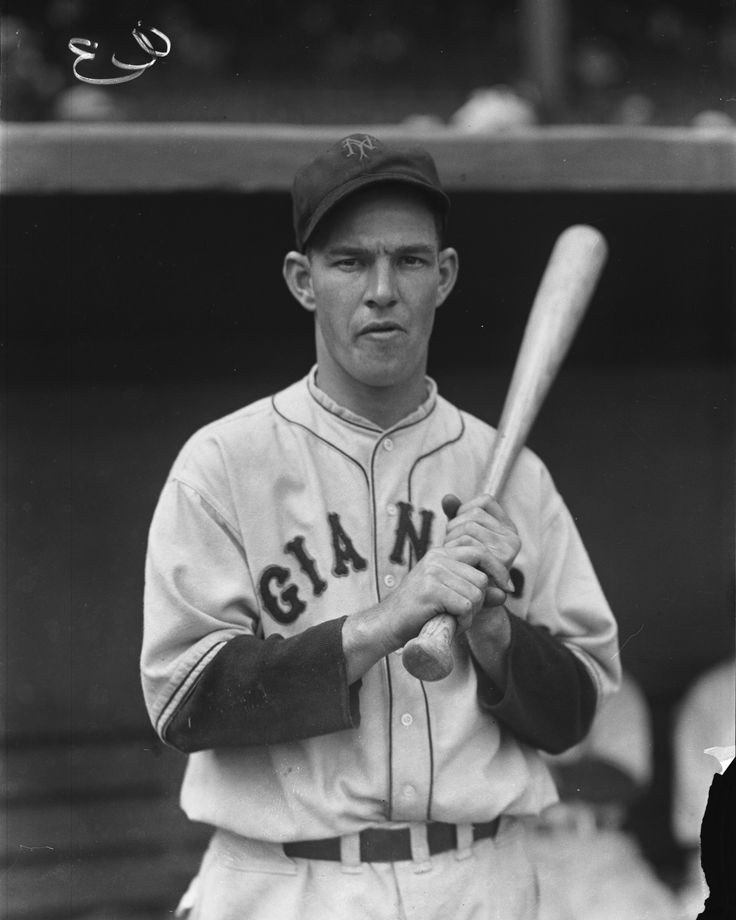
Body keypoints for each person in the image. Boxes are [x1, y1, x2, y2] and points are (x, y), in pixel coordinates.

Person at [140, 133, 621, 920]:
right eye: (350, 261)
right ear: (304, 280)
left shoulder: (514, 475)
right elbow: (184, 702)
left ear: (445, 277)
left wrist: (498, 636)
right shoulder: (224, 464)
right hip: (286, 887)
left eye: (408, 260)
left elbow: (575, 712)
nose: (382, 290)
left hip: (478, 883)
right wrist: (386, 621)